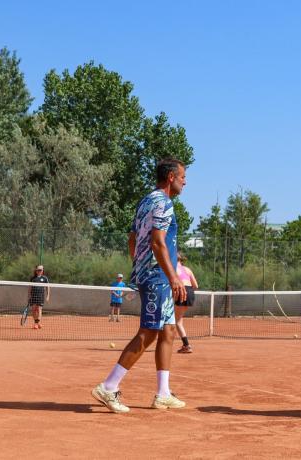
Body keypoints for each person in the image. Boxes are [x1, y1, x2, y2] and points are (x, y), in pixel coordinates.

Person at [92, 158, 187, 414]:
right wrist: (173, 277)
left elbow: (132, 240)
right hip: (158, 277)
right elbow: (158, 243)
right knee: (149, 333)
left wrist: (138, 267)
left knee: (168, 331)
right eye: (182, 177)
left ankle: (163, 393)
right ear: (170, 178)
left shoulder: (145, 201)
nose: (185, 182)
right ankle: (109, 387)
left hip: (153, 275)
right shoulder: (163, 203)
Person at [175, 254, 199, 353]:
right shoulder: (187, 269)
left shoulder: (172, 268)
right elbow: (196, 285)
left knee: (177, 321)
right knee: (178, 320)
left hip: (181, 291)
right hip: (190, 292)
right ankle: (185, 345)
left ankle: (186, 345)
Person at [28, 265, 50, 330]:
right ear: (36, 270)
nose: (39, 271)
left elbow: (48, 287)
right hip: (33, 296)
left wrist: (48, 295)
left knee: (39, 309)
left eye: (41, 270)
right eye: (38, 270)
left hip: (40, 296)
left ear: (43, 271)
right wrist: (29, 295)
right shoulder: (32, 278)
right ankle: (38, 322)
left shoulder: (45, 278)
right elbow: (30, 287)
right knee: (33, 310)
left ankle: (36, 324)